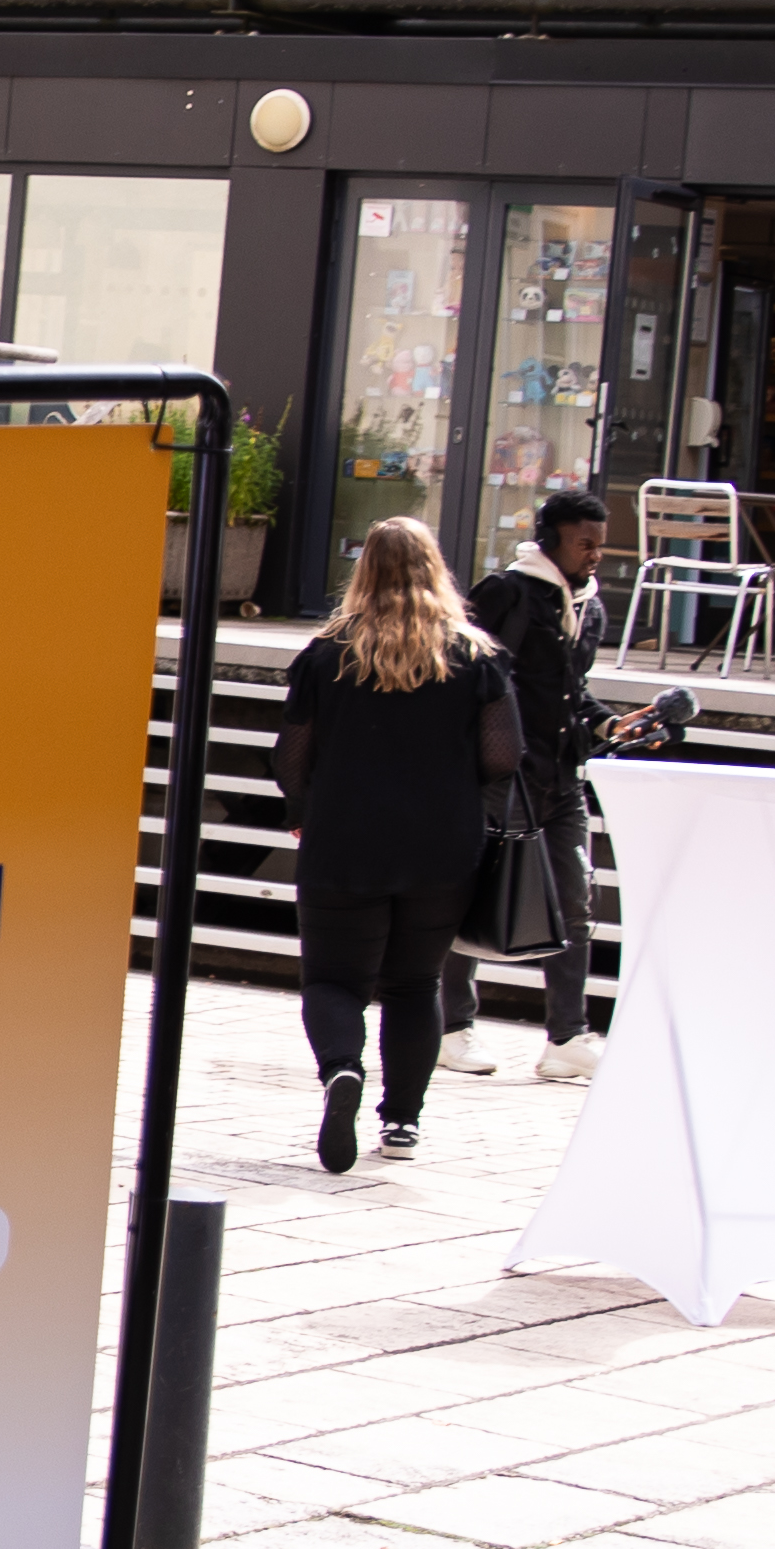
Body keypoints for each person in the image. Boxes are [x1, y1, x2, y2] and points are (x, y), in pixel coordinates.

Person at [274, 514, 523, 1173]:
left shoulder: (328, 654)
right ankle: (403, 1123)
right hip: (441, 848)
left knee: (333, 979)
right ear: (435, 570)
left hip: (343, 840)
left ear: (363, 573)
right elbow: (504, 756)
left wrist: (303, 809)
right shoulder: (475, 657)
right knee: (415, 984)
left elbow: (290, 757)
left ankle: (341, 1072)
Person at [461, 488, 621, 1076]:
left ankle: (566, 1039)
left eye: (600, 544)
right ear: (551, 539)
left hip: (560, 777)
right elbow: (467, 674)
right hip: (503, 775)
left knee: (573, 904)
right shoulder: (506, 592)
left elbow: (570, 691)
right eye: (586, 543)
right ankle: (454, 1027)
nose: (595, 555)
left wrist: (607, 721)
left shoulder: (590, 605)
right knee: (473, 898)